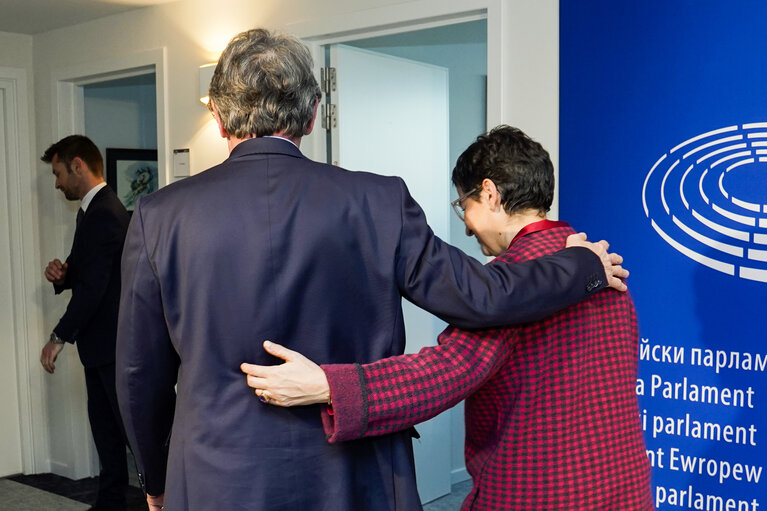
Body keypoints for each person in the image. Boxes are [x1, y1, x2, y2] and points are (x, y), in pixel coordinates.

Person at [116, 29, 627, 511]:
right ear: (313, 114)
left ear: (222, 120)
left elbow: (140, 373)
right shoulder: (378, 201)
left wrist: (155, 478)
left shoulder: (158, 215)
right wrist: (583, 264)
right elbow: (484, 298)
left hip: (214, 473)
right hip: (354, 471)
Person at [242, 126, 654, 510]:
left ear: (490, 194)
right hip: (626, 488)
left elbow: (440, 375)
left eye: (464, 206)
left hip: (540, 493)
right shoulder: (602, 270)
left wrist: (330, 386)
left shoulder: (511, 286)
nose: (469, 230)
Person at [41, 135, 131, 511]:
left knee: (131, 435)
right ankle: (110, 504)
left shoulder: (106, 212)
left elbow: (95, 288)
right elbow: (93, 272)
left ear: (78, 165)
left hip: (115, 347)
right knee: (107, 434)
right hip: (101, 348)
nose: (57, 183)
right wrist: (63, 275)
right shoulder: (91, 212)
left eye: (59, 173)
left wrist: (58, 335)